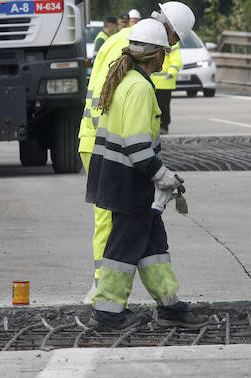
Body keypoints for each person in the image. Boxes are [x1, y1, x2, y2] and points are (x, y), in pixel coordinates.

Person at [86, 18, 207, 330]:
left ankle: (170, 306)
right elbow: (137, 146)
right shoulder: (140, 87)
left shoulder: (126, 80)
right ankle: (109, 312)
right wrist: (161, 175)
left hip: (118, 176)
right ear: (159, 55)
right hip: (129, 181)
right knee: (124, 246)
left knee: (153, 244)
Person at [151, 38, 182, 134]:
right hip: (152, 82)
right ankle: (154, 127)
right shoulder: (153, 40)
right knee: (151, 107)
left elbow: (176, 61)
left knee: (163, 107)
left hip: (165, 82)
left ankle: (163, 126)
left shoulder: (172, 43)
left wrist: (171, 72)